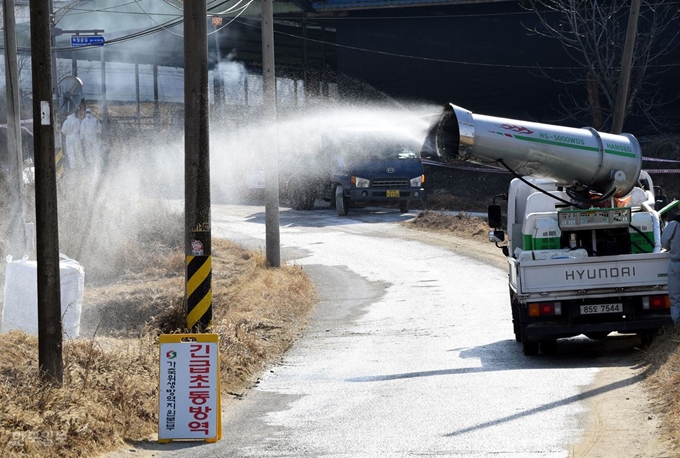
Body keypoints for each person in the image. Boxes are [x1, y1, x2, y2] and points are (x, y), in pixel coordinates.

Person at [661, 214, 680, 325]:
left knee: (676, 297)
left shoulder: (674, 224)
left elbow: (665, 243)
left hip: (676, 263)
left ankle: (678, 326)